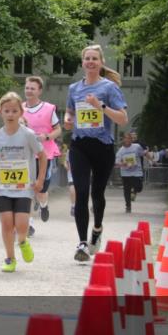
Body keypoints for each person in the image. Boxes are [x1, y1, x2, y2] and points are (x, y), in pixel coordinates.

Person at [63, 43, 128, 262]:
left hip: (103, 146)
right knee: (81, 192)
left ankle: (97, 229)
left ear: (100, 63)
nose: (90, 62)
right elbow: (70, 113)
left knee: (97, 194)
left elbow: (122, 119)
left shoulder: (109, 88)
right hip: (80, 145)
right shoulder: (74, 89)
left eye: (94, 58)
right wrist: (68, 120)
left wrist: (100, 106)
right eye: (87, 58)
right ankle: (82, 242)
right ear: (82, 63)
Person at [0, 92, 46, 273]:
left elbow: (42, 156)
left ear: (21, 113)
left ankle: (23, 241)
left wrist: (39, 180)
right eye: (6, 111)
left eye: (14, 111)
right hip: (3, 188)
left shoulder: (28, 135)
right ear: (0, 111)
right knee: (7, 223)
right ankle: (10, 258)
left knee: (21, 225)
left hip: (24, 188)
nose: (10, 114)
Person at [22, 75, 61, 233]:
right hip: (25, 155)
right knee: (28, 189)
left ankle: (44, 206)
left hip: (44, 154)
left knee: (41, 191)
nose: (29, 91)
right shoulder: (19, 108)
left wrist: (47, 136)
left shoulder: (48, 108)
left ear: (39, 91)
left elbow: (58, 129)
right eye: (27, 88)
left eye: (32, 88)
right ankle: (29, 223)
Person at [115, 131, 147, 214]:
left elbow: (142, 153)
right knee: (126, 190)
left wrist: (147, 153)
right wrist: (123, 164)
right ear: (123, 140)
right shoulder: (121, 151)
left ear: (131, 140)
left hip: (137, 171)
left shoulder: (137, 147)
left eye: (129, 138)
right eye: (126, 139)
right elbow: (116, 163)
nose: (128, 140)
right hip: (125, 173)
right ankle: (128, 206)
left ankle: (134, 190)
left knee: (139, 187)